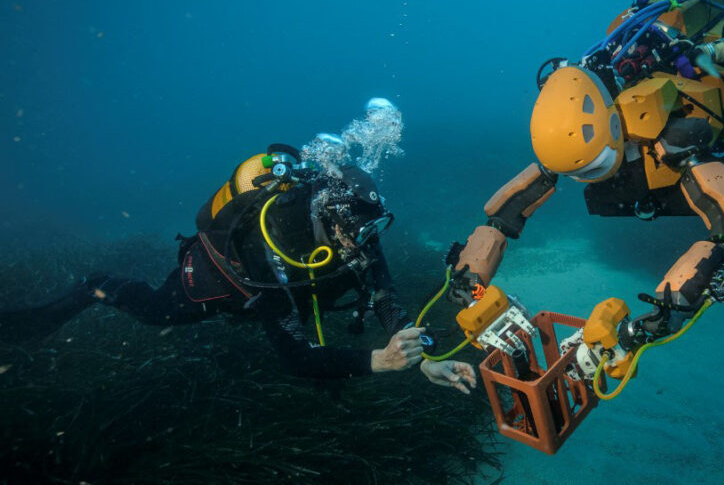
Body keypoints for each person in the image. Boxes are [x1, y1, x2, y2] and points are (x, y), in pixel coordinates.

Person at [445, 0, 724, 373]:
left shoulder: (672, 136)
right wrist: (473, 285)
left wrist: (644, 329)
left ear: (615, 132)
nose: (585, 178)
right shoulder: (577, 126)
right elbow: (501, 217)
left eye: (591, 169)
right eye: (575, 171)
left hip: (698, 80)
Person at [0, 105, 476, 394]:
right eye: (355, 234)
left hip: (296, 285)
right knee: (157, 313)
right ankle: (95, 288)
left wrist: (424, 360)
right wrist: (378, 361)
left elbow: (383, 295)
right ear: (326, 220)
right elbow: (295, 358)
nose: (365, 248)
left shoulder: (356, 230)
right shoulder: (269, 245)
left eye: (372, 233)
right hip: (222, 278)